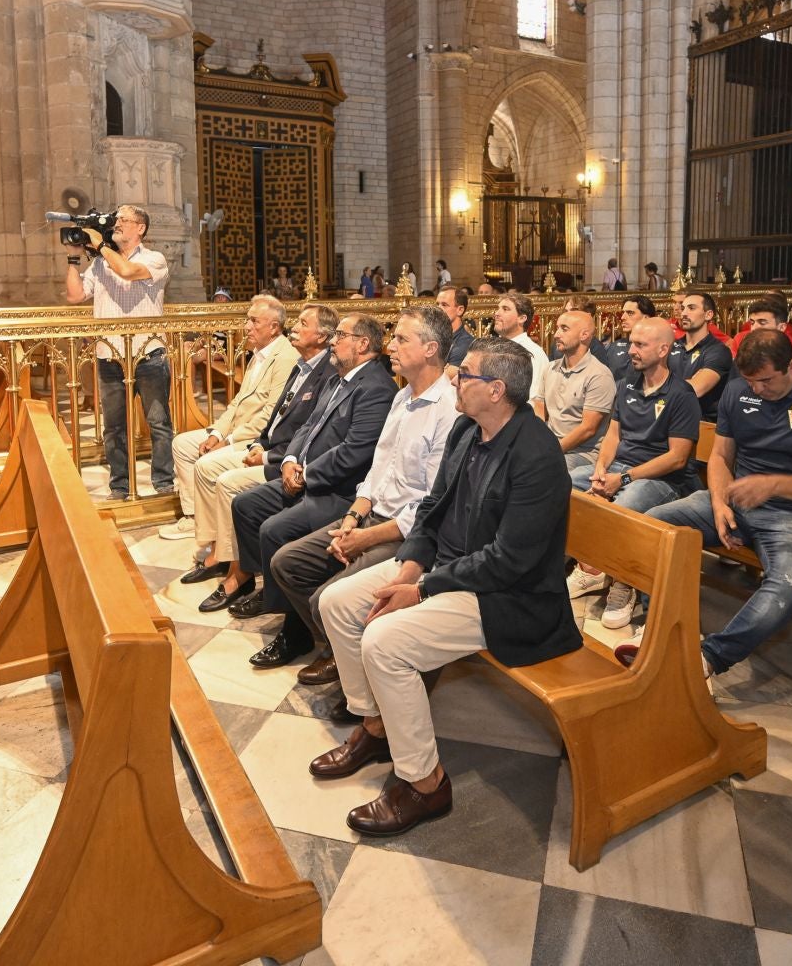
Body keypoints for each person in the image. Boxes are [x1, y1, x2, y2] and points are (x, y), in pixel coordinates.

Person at [311, 338, 580, 838]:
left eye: (466, 373)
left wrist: (423, 587)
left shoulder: (537, 455)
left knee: (385, 642)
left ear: (496, 390)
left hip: (506, 596)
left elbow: (509, 560)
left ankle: (426, 783)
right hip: (447, 569)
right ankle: (376, 727)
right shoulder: (467, 428)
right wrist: (410, 566)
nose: (455, 377)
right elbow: (433, 508)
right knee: (338, 603)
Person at [620, 331, 792, 677]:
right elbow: (720, 456)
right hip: (736, 501)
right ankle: (657, 626)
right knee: (654, 525)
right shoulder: (737, 390)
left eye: (766, 381)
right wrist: (720, 503)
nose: (757, 389)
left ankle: (708, 659)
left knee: (786, 583)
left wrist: (773, 484)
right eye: (750, 381)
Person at [258, 307, 461, 674]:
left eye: (401, 339)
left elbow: (429, 504)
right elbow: (377, 472)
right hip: (368, 515)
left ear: (430, 349)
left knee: (325, 599)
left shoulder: (447, 410)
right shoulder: (402, 398)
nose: (391, 347)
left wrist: (365, 538)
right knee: (286, 563)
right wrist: (353, 518)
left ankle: (356, 667)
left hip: (403, 532)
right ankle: (341, 648)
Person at [221, 313, 397, 618]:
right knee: (245, 505)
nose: (333, 342)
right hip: (305, 474)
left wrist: (307, 475)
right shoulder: (336, 378)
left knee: (273, 529)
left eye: (340, 336)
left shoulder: (377, 388)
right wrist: (290, 460)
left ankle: (286, 617)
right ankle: (265, 586)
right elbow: (308, 426)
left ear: (362, 344)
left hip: (338, 490)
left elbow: (353, 452)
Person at [183, 306, 339, 587]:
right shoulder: (301, 364)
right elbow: (277, 415)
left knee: (227, 482)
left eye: (303, 324)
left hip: (287, 460)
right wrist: (258, 443)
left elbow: (308, 430)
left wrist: (268, 456)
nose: (294, 328)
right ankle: (218, 551)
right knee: (199, 460)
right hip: (270, 447)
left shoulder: (326, 372)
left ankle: (237, 571)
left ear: (321, 336)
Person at [577, 318, 702, 628]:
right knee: (563, 484)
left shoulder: (681, 394)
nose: (631, 350)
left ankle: (624, 583)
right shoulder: (626, 384)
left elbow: (677, 458)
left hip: (662, 479)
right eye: (631, 342)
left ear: (663, 350)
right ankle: (588, 568)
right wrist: (601, 469)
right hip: (619, 468)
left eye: (640, 345)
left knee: (624, 507)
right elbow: (613, 436)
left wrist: (623, 478)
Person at [161, 296, 296, 543]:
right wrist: (216, 433)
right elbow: (237, 403)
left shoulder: (285, 357)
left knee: (206, 462)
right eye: (248, 320)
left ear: (274, 327)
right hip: (235, 430)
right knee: (181, 444)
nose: (247, 327)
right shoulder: (259, 353)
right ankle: (193, 516)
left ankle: (211, 531)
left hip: (253, 438)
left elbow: (270, 415)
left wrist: (229, 440)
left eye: (254, 321)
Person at [63, 204, 173, 499]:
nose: (117, 223)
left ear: (141, 228)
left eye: (123, 219)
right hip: (109, 357)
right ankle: (120, 487)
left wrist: (99, 245)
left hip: (149, 355)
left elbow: (127, 272)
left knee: (158, 423)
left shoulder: (154, 259)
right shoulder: (100, 264)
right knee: (113, 428)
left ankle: (164, 484)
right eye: (116, 219)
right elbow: (75, 295)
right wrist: (74, 258)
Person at [534, 307, 616, 475]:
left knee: (540, 471)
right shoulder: (550, 368)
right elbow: (539, 408)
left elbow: (588, 429)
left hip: (582, 453)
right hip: (550, 445)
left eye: (564, 329)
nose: (556, 334)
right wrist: (538, 441)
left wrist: (550, 451)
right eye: (557, 328)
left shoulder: (599, 375)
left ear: (584, 335)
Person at [670, 291, 733, 420]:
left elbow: (696, 389)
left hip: (701, 422)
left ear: (708, 314)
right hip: (669, 416)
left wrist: (663, 384)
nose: (683, 313)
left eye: (691, 308)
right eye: (683, 308)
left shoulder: (718, 351)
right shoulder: (671, 346)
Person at [491, 292, 549, 395]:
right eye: (498, 308)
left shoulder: (533, 353)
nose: (497, 313)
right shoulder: (491, 348)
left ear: (521, 318)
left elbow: (534, 397)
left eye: (505, 309)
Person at [597, 296, 655, 381]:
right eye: (623, 313)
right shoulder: (613, 347)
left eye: (630, 313)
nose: (622, 317)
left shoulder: (658, 347)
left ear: (646, 318)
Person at [434, 285, 475, 367]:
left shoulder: (466, 344)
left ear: (460, 310)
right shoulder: (432, 336)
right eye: (437, 304)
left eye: (444, 305)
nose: (438, 309)